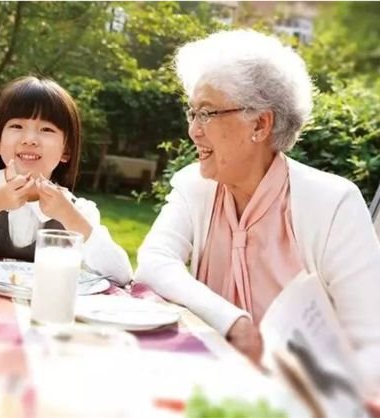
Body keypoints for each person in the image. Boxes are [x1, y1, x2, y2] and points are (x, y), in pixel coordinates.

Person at [134, 29, 380, 396]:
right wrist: (232, 321)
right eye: (192, 112)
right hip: (209, 389)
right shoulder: (196, 187)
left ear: (260, 125)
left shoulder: (332, 204)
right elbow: (153, 262)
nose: (192, 130)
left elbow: (372, 344)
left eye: (207, 113)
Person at [0, 76, 132, 285]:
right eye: (17, 126)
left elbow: (121, 275)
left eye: (46, 130)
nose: (30, 139)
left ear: (66, 151)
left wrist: (70, 218)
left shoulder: (75, 209)